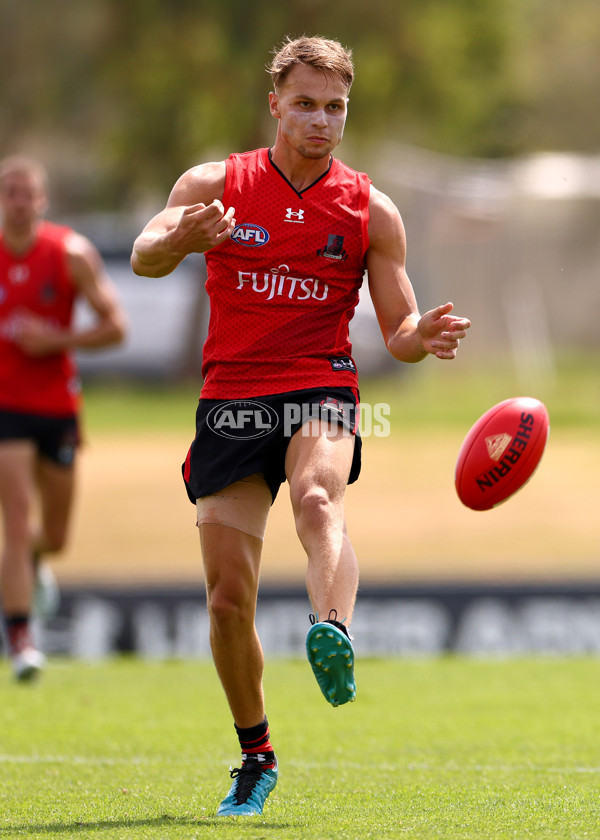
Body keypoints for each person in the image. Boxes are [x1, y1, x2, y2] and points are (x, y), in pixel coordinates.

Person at [131, 36, 471, 816]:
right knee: (226, 603)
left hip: (320, 385)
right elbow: (149, 250)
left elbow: (398, 330)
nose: (322, 121)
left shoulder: (368, 209)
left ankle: (333, 631)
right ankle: (256, 755)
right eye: (308, 104)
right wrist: (181, 239)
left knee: (320, 497)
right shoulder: (216, 183)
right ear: (276, 103)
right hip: (231, 398)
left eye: (336, 107)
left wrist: (425, 338)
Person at [0, 155, 127, 681]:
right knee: (16, 518)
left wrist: (58, 339)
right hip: (6, 407)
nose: (19, 201)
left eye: (27, 192)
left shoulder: (70, 253)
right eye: (9, 192)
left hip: (57, 407)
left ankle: (30, 565)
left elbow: (116, 326)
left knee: (52, 535)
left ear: (42, 200)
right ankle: (22, 639)